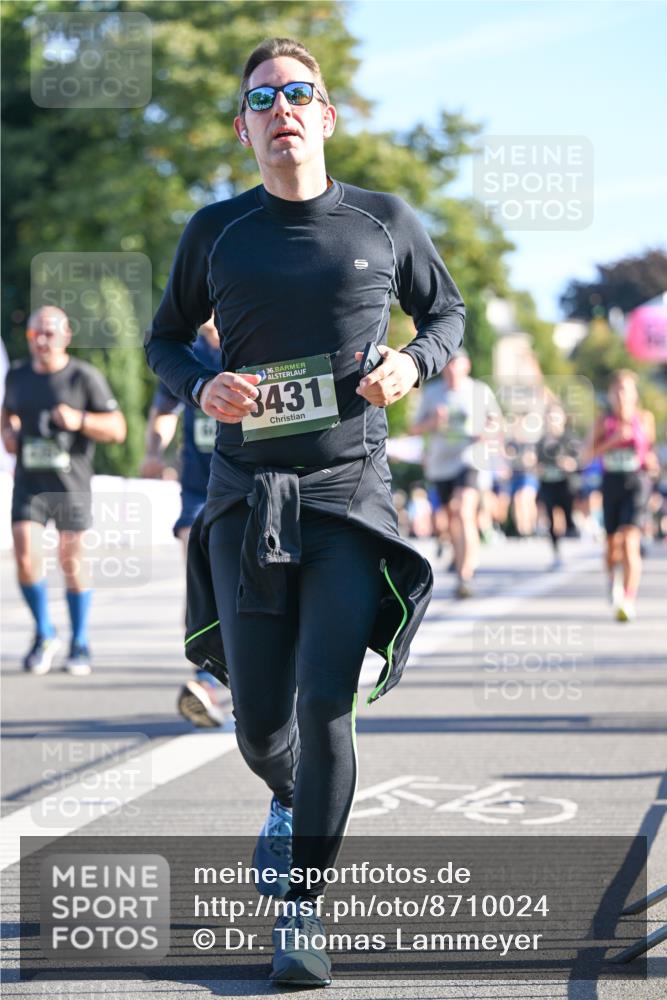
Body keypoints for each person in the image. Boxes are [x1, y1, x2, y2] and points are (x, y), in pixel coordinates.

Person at [145, 37, 464, 986]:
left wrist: (413, 363)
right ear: (243, 129)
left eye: (298, 93)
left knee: (326, 702)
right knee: (257, 724)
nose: (280, 109)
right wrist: (200, 386)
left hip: (347, 496)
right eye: (262, 99)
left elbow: (446, 316)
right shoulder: (217, 232)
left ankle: (302, 910)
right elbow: (166, 339)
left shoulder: (384, 219)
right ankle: (286, 797)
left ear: (325, 115)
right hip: (248, 496)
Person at [1, 306, 126, 675]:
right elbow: (7, 412)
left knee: (72, 562)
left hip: (71, 484)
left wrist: (80, 419)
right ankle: (44, 633)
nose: (41, 340)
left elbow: (118, 429)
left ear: (66, 335)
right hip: (30, 483)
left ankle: (80, 640)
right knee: (25, 555)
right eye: (35, 333)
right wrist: (9, 432)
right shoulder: (18, 375)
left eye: (49, 333)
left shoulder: (83, 377)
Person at [141, 314, 228, 727]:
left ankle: (264, 674)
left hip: (252, 481)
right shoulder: (187, 350)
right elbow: (165, 407)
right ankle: (205, 680)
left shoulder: (252, 334)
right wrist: (154, 451)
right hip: (198, 488)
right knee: (200, 577)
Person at [409, 349, 501, 598]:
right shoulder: (432, 393)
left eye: (455, 363)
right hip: (440, 463)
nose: (451, 369)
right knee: (451, 518)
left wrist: (485, 431)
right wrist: (432, 423)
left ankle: (465, 575)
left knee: (463, 511)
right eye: (447, 364)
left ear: (466, 366)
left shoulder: (479, 391)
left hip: (469, 459)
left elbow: (497, 423)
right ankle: (460, 556)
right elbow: (414, 428)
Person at [587, 370, 656, 621]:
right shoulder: (603, 422)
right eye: (616, 390)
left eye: (626, 390)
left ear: (635, 394)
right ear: (609, 395)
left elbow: (648, 452)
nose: (621, 396)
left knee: (630, 541)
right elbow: (588, 454)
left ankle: (628, 599)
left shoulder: (645, 419)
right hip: (611, 483)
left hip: (636, 484)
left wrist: (651, 462)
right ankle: (612, 579)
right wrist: (613, 440)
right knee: (612, 546)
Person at [536, 404, 580, 569]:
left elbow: (578, 462)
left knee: (567, 518)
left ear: (562, 419)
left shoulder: (569, 439)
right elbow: (536, 464)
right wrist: (537, 468)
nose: (552, 421)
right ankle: (556, 553)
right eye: (549, 417)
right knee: (552, 519)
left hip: (565, 485)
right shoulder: (542, 442)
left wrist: (568, 464)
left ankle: (572, 536)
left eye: (555, 417)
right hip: (548, 484)